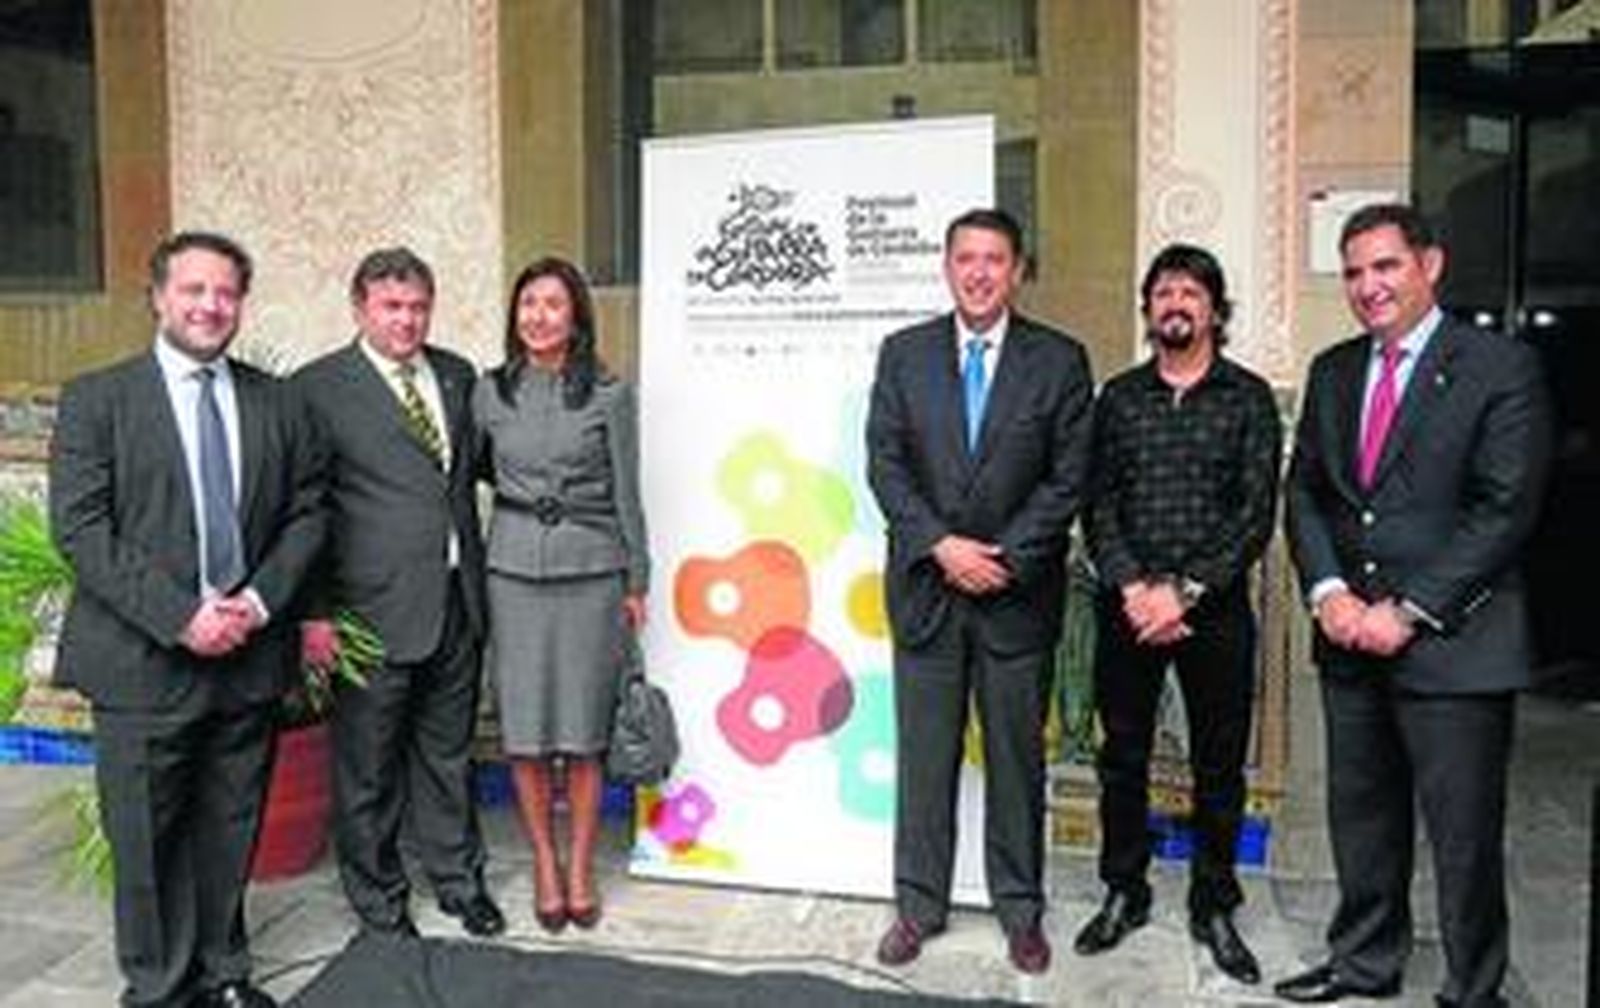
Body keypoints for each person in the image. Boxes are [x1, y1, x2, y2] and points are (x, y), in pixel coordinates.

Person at [1278, 203, 1551, 1007]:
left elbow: (1504, 510)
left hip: (1454, 644)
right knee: (1362, 819)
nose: (1369, 286)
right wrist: (1328, 592)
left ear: (1429, 265)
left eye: (1385, 266)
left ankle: (1474, 990)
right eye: (1355, 271)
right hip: (1348, 640)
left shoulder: (1499, 367)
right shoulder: (1332, 371)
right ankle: (1365, 962)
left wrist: (1407, 609)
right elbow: (1309, 496)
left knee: (1463, 837)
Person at [49, 231, 325, 1008]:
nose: (210, 305)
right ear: (159, 297)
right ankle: (160, 987)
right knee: (147, 839)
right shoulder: (97, 400)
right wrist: (180, 617)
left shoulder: (278, 402)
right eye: (194, 290)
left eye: (226, 293)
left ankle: (225, 973)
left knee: (229, 825)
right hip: (143, 662)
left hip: (247, 655)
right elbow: (82, 530)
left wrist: (260, 602)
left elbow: (308, 513)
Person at [865, 208, 1093, 974]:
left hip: (1015, 596)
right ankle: (917, 906)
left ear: (1018, 270)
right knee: (924, 763)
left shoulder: (1059, 361)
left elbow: (1068, 479)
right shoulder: (904, 355)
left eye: (995, 259)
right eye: (966, 258)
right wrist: (940, 546)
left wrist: (999, 557)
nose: (980, 272)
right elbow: (886, 465)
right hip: (929, 594)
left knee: (1016, 764)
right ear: (947, 266)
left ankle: (1021, 912)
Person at [1073, 244, 1281, 984]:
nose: (1175, 304)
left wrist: (1184, 591)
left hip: (1213, 613)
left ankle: (1213, 902)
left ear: (1215, 311)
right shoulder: (1119, 398)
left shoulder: (1248, 397)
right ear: (1148, 309)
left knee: (1217, 764)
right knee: (1121, 757)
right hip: (1126, 608)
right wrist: (1133, 587)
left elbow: (1255, 513)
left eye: (1190, 292)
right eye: (1163, 293)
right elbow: (1096, 502)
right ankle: (1124, 891)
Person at [295, 248, 505, 939]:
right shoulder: (317, 389)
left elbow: (475, 472)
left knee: (449, 754)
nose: (406, 320)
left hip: (454, 602)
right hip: (367, 612)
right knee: (368, 766)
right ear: (360, 309)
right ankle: (380, 899)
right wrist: (315, 612)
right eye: (391, 306)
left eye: (417, 306)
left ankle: (458, 881)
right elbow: (306, 510)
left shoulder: (453, 374)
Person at [472, 256, 649, 933]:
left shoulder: (610, 393)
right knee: (524, 733)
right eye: (527, 304)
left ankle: (580, 867)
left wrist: (638, 578)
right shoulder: (489, 393)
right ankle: (543, 862)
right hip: (512, 573)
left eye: (553, 304)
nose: (539, 316)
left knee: (580, 734)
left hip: (592, 573)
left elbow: (629, 493)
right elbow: (476, 475)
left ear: (575, 316)